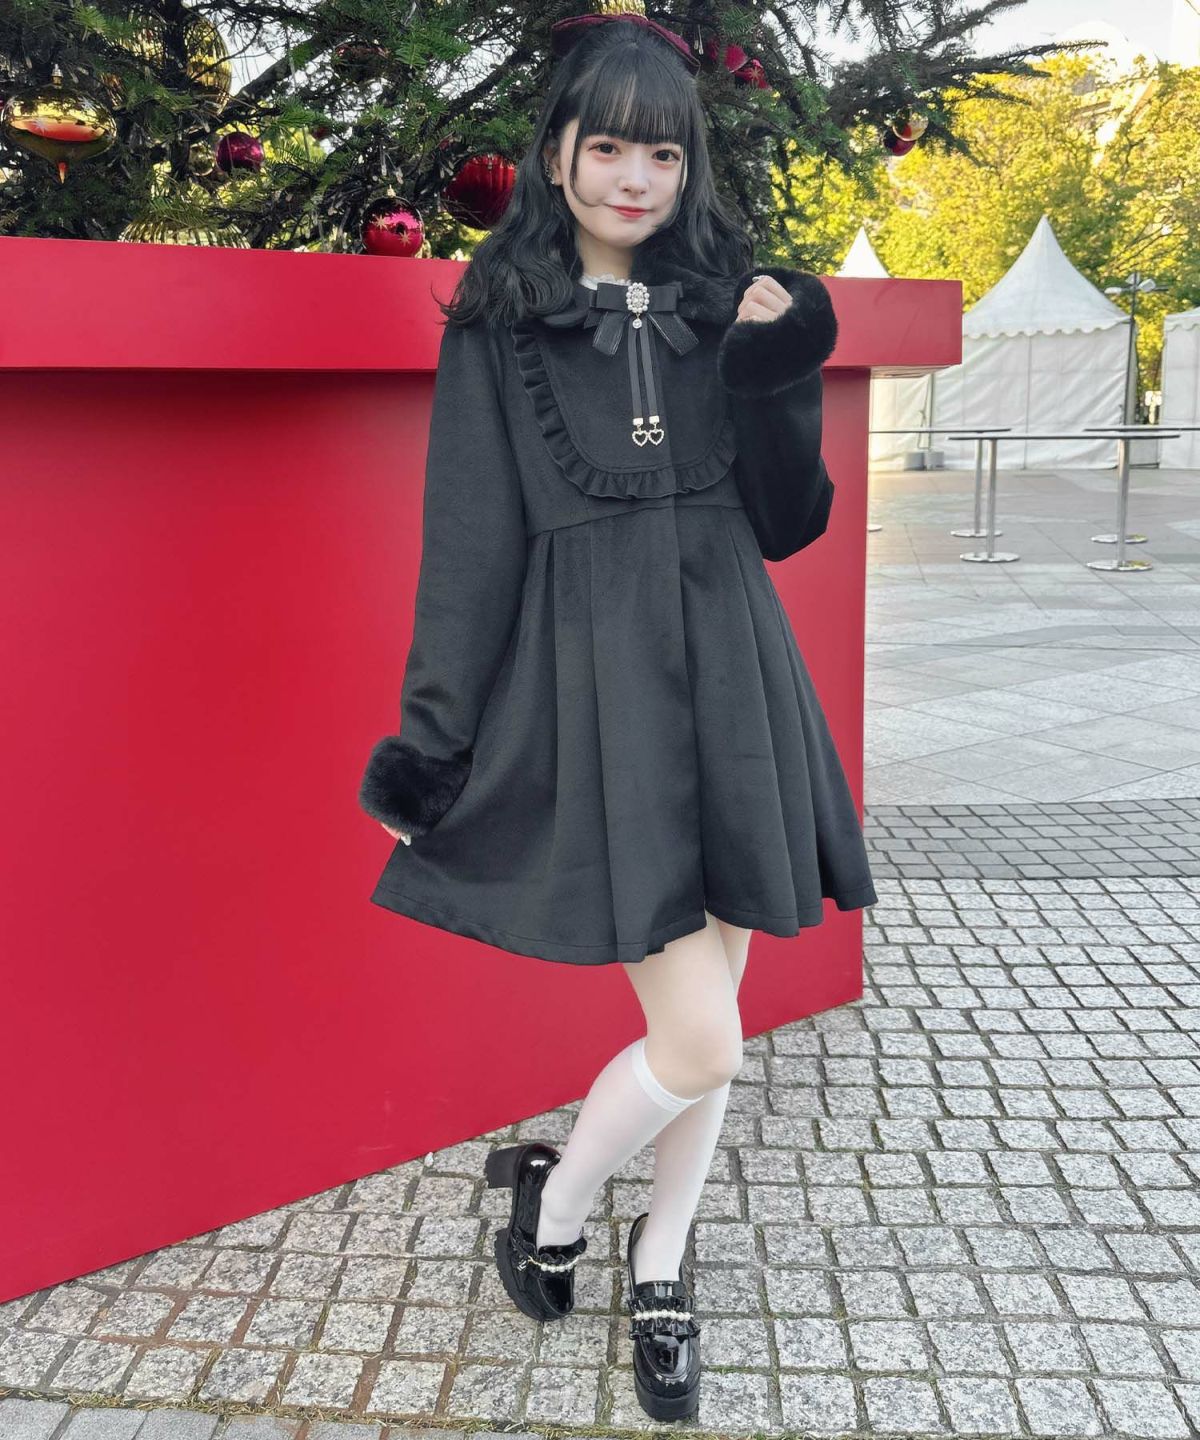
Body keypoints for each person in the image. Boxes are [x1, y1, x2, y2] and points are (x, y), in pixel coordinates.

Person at [358, 3, 878, 1420]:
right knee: (700, 1037)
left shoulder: (725, 306)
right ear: (558, 155)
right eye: (607, 149)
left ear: (686, 166)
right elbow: (467, 544)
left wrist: (776, 371)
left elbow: (790, 521)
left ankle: (657, 1257)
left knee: (722, 1012)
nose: (634, 179)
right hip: (598, 691)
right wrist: (434, 742)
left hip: (735, 667)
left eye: (662, 154)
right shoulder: (499, 320)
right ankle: (555, 1204)